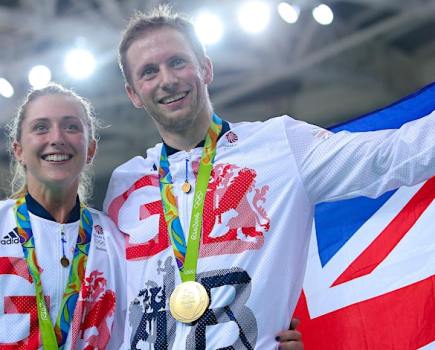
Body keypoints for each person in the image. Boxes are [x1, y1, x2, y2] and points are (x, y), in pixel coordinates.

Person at [104, 6, 435, 349]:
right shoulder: (125, 185)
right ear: (133, 95)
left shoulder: (279, 145)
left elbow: (394, 155)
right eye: (149, 72)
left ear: (205, 68)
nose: (167, 80)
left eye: (177, 62)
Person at [0, 83, 126, 349]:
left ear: (90, 150)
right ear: (18, 150)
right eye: (41, 127)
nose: (57, 138)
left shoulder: (116, 239)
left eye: (71, 126)